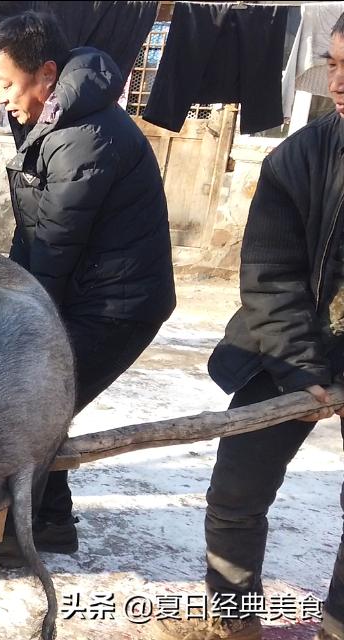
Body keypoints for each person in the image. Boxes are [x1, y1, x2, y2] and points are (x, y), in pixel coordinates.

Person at [0, 11, 176, 561]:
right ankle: (49, 523)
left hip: (117, 307)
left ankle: (23, 538)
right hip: (88, 294)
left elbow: (54, 249)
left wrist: (14, 323)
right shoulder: (55, 124)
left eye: (7, 84)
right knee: (42, 407)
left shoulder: (84, 138)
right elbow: (33, 234)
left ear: (46, 73)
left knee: (29, 408)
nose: (3, 99)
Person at [151, 13, 344, 640]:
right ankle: (234, 618)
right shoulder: (304, 154)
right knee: (237, 491)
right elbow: (270, 271)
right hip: (286, 352)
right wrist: (304, 372)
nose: (338, 83)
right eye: (335, 64)